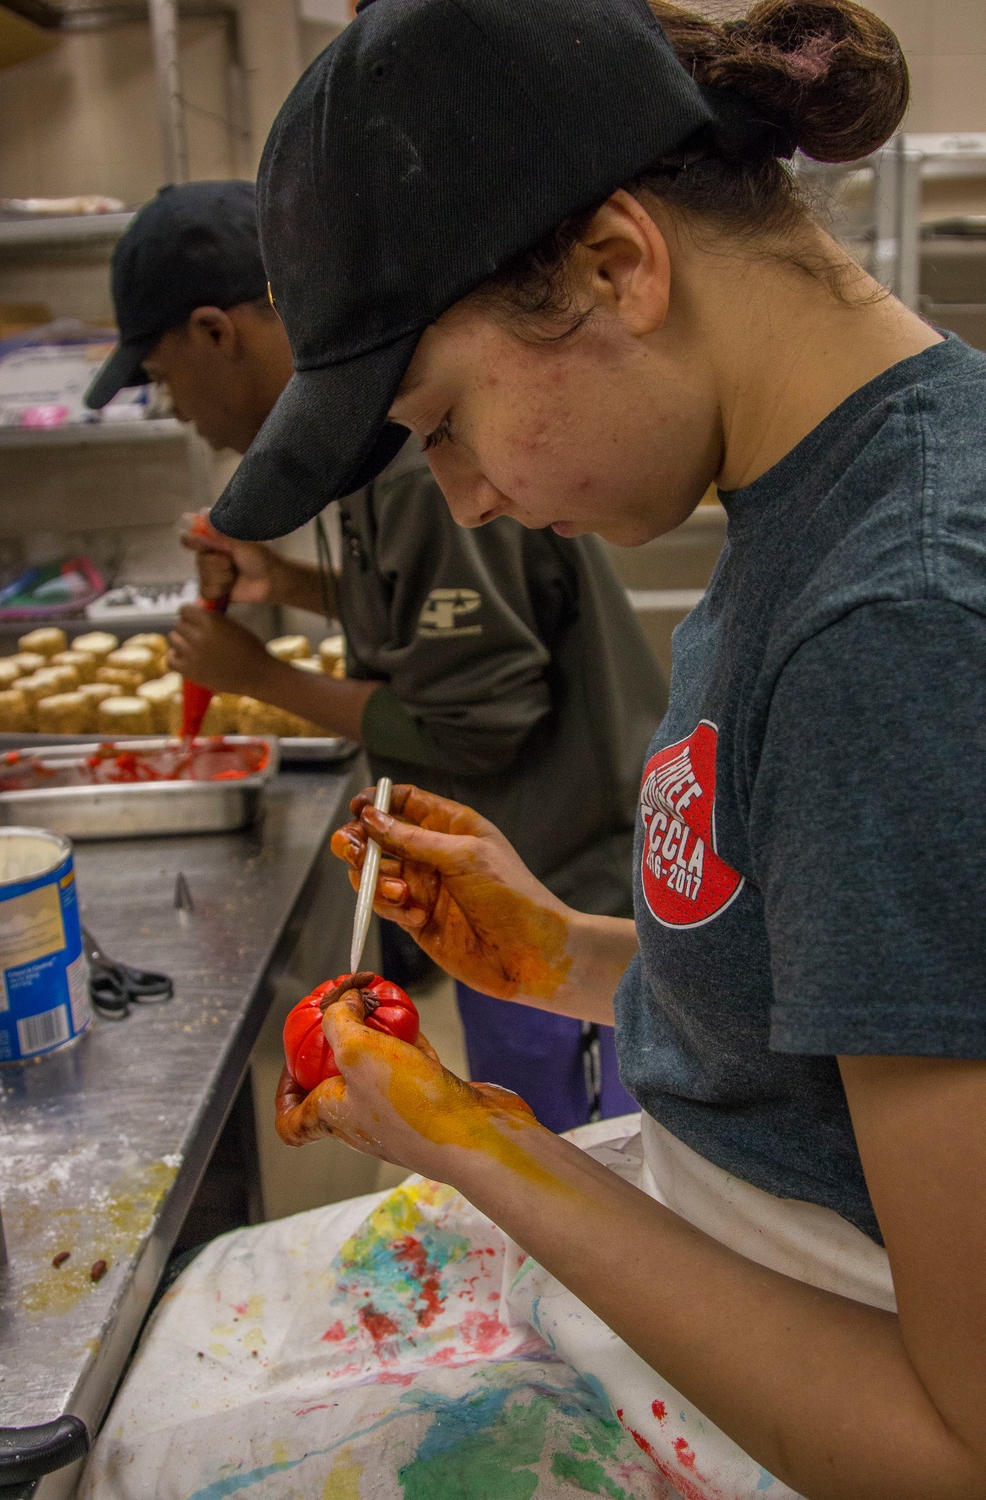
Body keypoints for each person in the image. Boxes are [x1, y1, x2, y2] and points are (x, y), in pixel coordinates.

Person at [80, 1, 986, 1497]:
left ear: (618, 267)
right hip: (728, 1240)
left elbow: (957, 1445)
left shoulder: (899, 620)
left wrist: (484, 1142)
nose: (471, 499)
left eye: (444, 422)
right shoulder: (803, 501)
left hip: (821, 1400)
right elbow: (851, 1020)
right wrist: (571, 956)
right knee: (195, 1352)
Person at [85, 179, 663, 1132]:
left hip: (572, 890)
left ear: (214, 332)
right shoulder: (365, 452)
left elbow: (477, 723)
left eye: (160, 371)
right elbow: (426, 618)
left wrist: (260, 677)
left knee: (591, 1161)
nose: (173, 405)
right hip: (521, 881)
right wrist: (289, 585)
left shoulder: (412, 464)